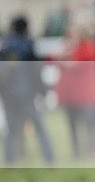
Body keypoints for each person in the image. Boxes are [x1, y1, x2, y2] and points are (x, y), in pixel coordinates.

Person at [0, 15, 54, 164]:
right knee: (38, 126)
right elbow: (36, 70)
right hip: (26, 93)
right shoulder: (28, 45)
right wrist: (43, 90)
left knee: (11, 129)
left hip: (9, 94)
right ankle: (49, 158)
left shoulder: (6, 46)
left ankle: (9, 160)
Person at [55, 18, 95, 158]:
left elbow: (83, 64)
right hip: (69, 93)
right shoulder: (66, 46)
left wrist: (66, 61)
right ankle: (76, 152)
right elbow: (53, 59)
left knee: (89, 124)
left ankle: (92, 151)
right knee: (72, 124)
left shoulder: (88, 46)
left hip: (85, 92)